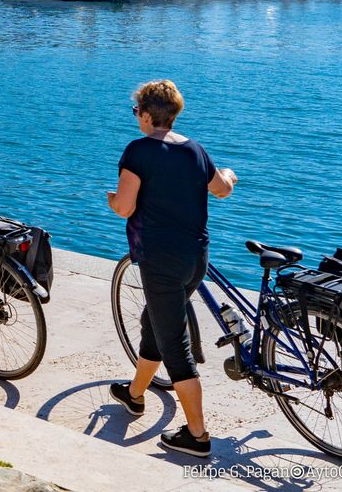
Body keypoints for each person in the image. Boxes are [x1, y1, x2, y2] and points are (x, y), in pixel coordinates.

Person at [106, 79, 237, 458]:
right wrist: (228, 173)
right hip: (196, 257)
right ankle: (134, 395)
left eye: (136, 112)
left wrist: (113, 199)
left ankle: (197, 435)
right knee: (157, 323)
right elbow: (222, 189)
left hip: (160, 260)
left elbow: (126, 208)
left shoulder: (138, 152)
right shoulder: (195, 149)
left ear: (147, 115)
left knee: (175, 345)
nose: (136, 118)